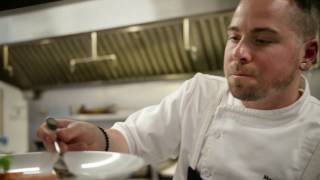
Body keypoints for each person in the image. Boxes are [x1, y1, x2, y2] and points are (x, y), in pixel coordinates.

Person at [37, 0, 320, 179]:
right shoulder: (201, 94)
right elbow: (133, 138)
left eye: (262, 40)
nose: (239, 52)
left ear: (307, 54)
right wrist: (95, 138)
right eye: (234, 37)